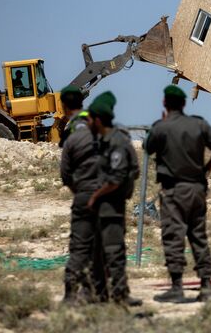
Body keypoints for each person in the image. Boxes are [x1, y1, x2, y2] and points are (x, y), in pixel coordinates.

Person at [145, 84, 211, 303]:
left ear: (165, 103)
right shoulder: (198, 124)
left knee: (173, 237)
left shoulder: (161, 127)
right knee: (198, 237)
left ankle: (177, 287)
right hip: (197, 189)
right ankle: (206, 286)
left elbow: (147, 147)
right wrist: (206, 170)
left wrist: (160, 126)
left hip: (173, 191)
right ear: (183, 104)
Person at [86, 91, 142, 306]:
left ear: (98, 119)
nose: (88, 122)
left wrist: (95, 196)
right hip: (100, 208)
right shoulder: (101, 141)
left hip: (111, 208)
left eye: (90, 119)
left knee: (114, 253)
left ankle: (120, 295)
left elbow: (117, 178)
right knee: (96, 254)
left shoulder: (117, 142)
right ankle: (99, 295)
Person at [59, 85, 107, 304]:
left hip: (84, 195)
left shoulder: (71, 136)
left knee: (79, 246)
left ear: (64, 105)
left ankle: (71, 294)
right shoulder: (103, 132)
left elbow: (66, 175)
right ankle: (95, 292)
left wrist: (80, 192)